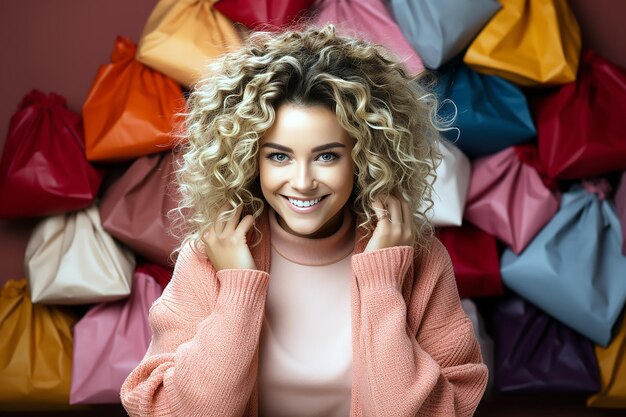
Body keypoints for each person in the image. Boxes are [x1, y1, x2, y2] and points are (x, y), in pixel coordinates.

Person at [121, 24, 488, 417]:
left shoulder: (419, 259)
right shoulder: (211, 257)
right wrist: (237, 290)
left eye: (327, 156)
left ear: (365, 157)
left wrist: (382, 283)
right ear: (249, 160)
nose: (302, 182)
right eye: (279, 156)